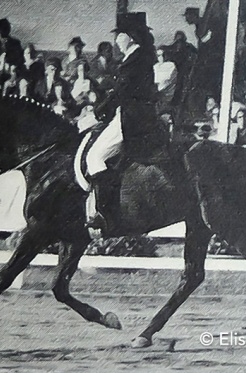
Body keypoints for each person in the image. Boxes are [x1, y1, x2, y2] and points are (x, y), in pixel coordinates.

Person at [85, 12, 161, 231]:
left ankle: (104, 214)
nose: (116, 40)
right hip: (133, 114)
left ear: (131, 37)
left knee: (95, 156)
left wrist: (98, 112)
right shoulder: (137, 57)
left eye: (119, 35)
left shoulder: (136, 59)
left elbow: (122, 92)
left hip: (132, 118)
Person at [154, 46, 177, 114]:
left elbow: (166, 80)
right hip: (156, 94)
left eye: (163, 55)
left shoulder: (171, 65)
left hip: (167, 95)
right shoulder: (155, 66)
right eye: (158, 55)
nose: (161, 57)